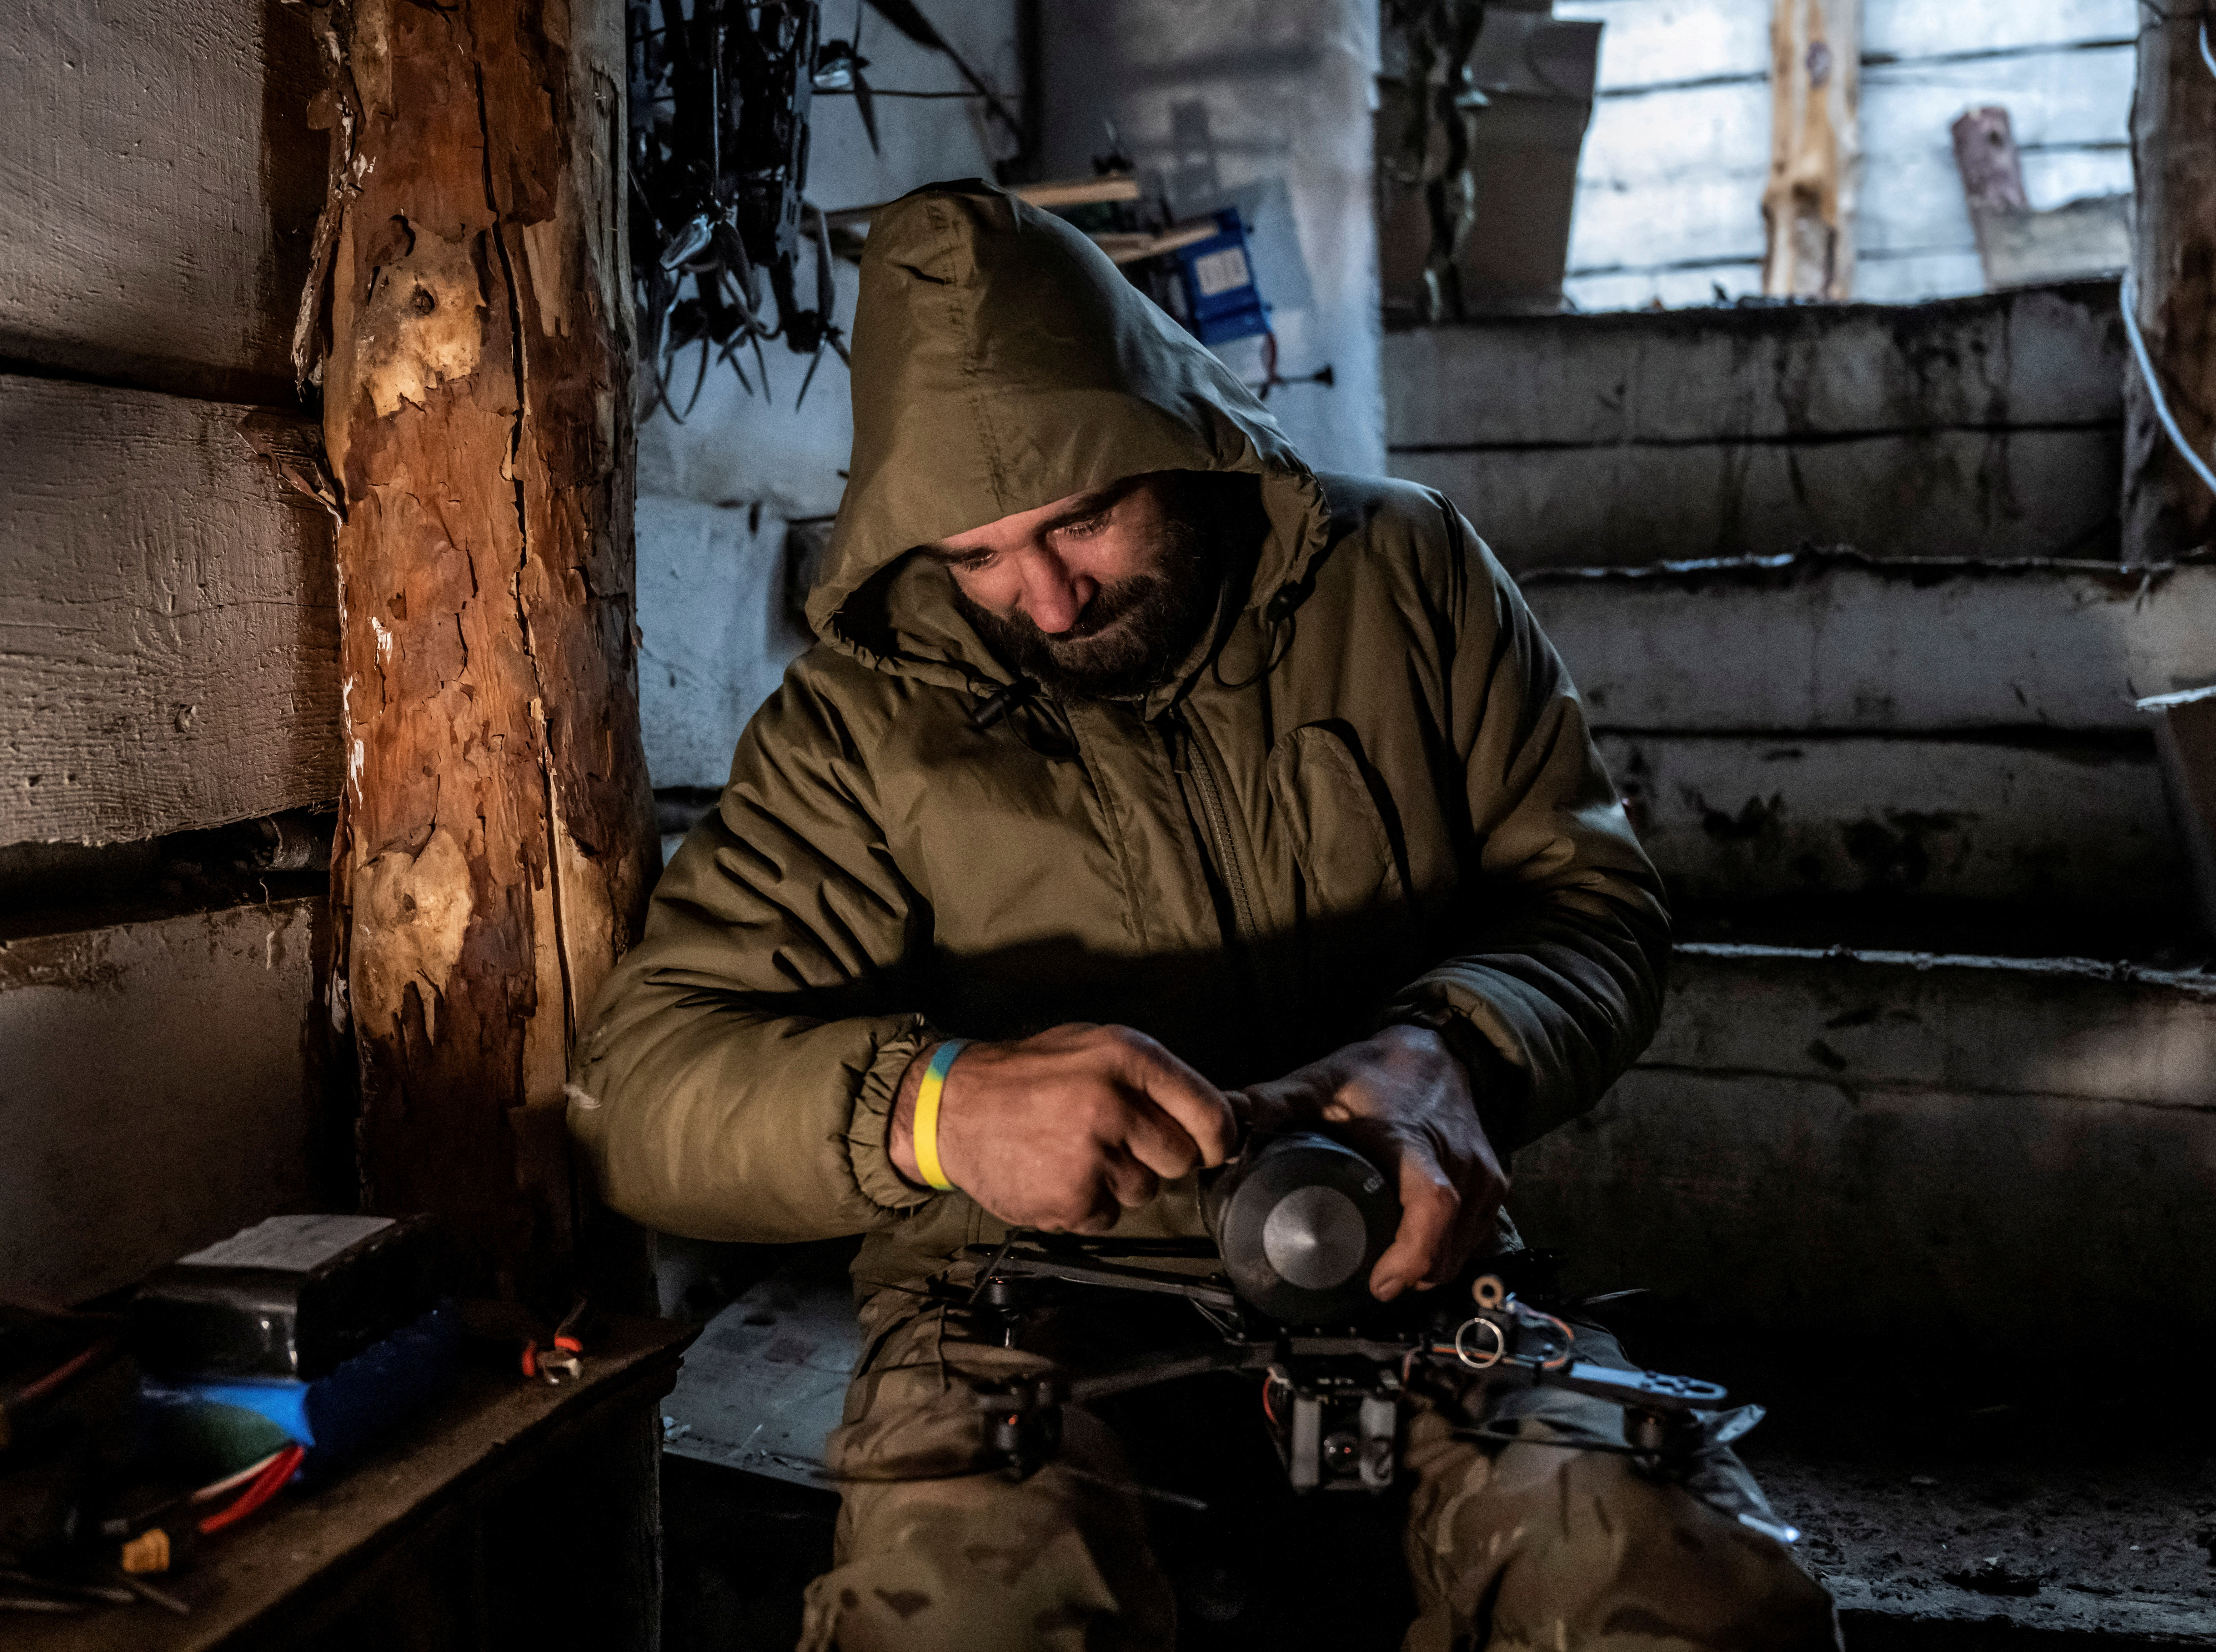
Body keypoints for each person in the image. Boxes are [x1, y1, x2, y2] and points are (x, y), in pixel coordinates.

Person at [571, 181, 1837, 1652]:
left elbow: (1590, 901)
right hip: (1017, 1299)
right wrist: (938, 1109)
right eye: (976, 556)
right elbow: (641, 1090)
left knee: (1673, 1594)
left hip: (1405, 1262)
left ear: (1169, 433)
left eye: (1083, 519)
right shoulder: (858, 725)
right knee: (966, 1616)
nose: (1039, 600)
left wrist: (1456, 1052)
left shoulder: (1405, 576)